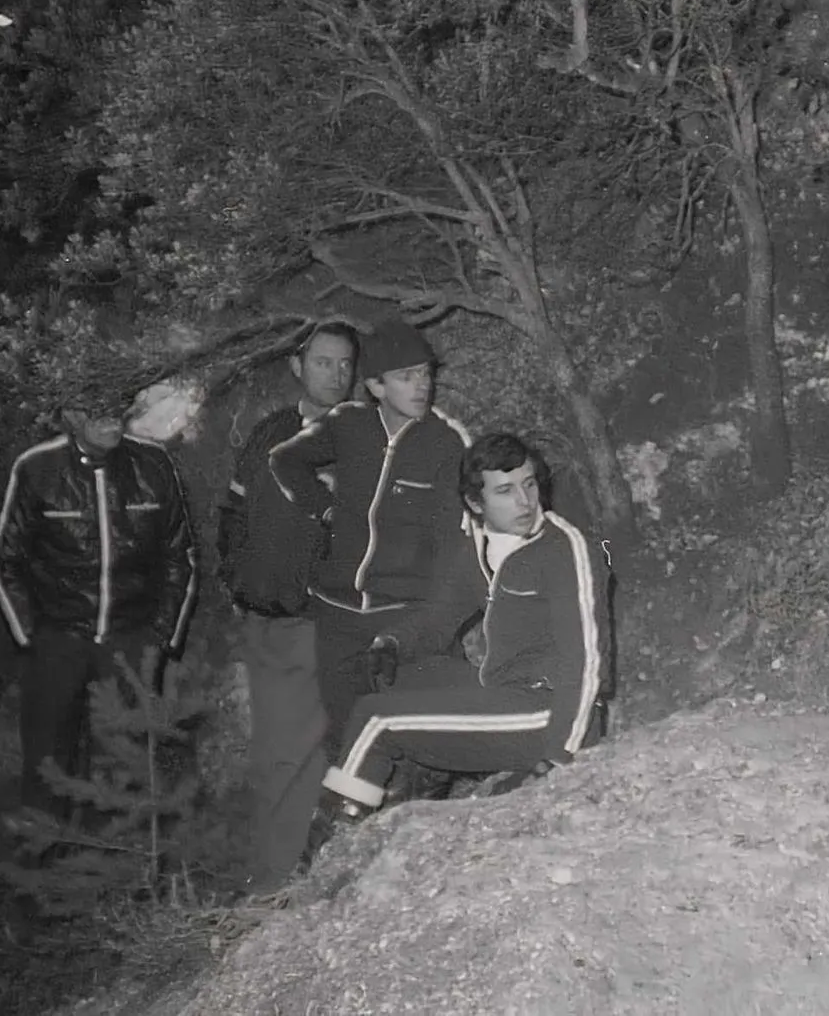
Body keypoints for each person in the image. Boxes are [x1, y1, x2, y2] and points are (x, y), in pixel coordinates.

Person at [319, 433, 612, 822]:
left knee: (376, 719)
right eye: (505, 491)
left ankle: (338, 830)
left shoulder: (565, 550)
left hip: (551, 711)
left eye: (529, 484)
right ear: (476, 503)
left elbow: (586, 662)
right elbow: (439, 619)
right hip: (503, 689)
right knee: (381, 677)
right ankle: (415, 786)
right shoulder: (480, 547)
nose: (525, 501)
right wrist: (389, 643)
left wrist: (559, 759)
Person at [0, 388, 199, 822]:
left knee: (124, 768)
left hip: (131, 637)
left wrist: (161, 639)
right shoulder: (37, 468)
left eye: (116, 408)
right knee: (47, 764)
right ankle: (46, 858)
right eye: (96, 409)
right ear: (70, 414)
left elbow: (181, 557)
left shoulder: (153, 465)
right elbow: (4, 561)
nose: (111, 419)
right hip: (58, 637)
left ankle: (117, 863)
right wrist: (31, 636)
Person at [268, 318, 474, 750]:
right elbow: (285, 460)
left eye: (426, 375)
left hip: (400, 612)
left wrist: (427, 623)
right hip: (337, 612)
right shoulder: (347, 423)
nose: (422, 386)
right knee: (344, 737)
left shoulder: (447, 443)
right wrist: (325, 509)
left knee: (422, 734)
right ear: (376, 386)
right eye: (406, 377)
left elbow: (454, 548)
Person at [215, 319, 358, 890]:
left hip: (319, 620)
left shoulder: (362, 439)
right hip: (264, 617)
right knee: (276, 753)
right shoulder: (270, 431)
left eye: (345, 364)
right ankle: (276, 877)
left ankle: (285, 880)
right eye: (324, 362)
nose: (336, 375)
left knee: (303, 753)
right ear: (297, 366)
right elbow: (234, 510)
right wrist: (236, 579)